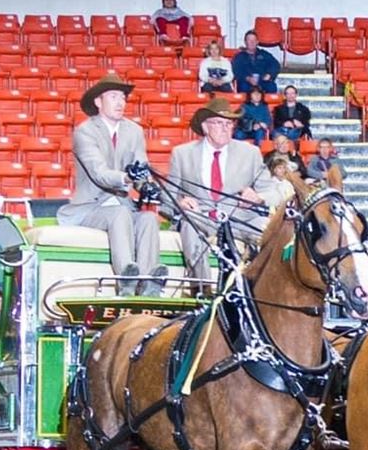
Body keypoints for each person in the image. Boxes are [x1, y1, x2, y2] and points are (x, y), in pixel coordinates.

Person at [61, 72, 163, 293]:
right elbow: (99, 173)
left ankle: (148, 283)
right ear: (98, 102)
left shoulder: (134, 131)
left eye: (123, 98)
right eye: (114, 96)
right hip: (91, 208)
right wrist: (127, 177)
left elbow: (141, 170)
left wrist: (145, 185)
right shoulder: (85, 132)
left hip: (123, 206)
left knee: (148, 219)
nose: (121, 102)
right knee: (120, 214)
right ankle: (125, 280)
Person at [169, 96, 275, 285]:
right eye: (219, 123)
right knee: (189, 224)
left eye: (229, 123)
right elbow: (167, 195)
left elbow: (273, 191)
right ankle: (202, 288)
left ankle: (266, 292)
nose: (226, 128)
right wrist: (180, 202)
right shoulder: (182, 154)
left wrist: (258, 197)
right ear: (205, 127)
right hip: (201, 218)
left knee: (270, 229)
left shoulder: (250, 153)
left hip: (240, 219)